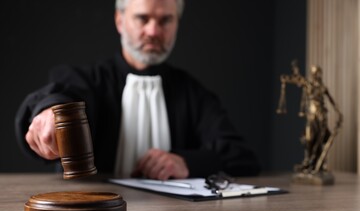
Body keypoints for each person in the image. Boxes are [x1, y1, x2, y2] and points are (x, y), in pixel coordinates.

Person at [15, 0, 260, 180]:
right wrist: (50, 111)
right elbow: (64, 93)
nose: (153, 32)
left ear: (177, 24)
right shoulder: (89, 80)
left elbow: (243, 157)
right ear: (120, 21)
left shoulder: (193, 93)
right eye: (142, 18)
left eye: (165, 20)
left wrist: (187, 163)